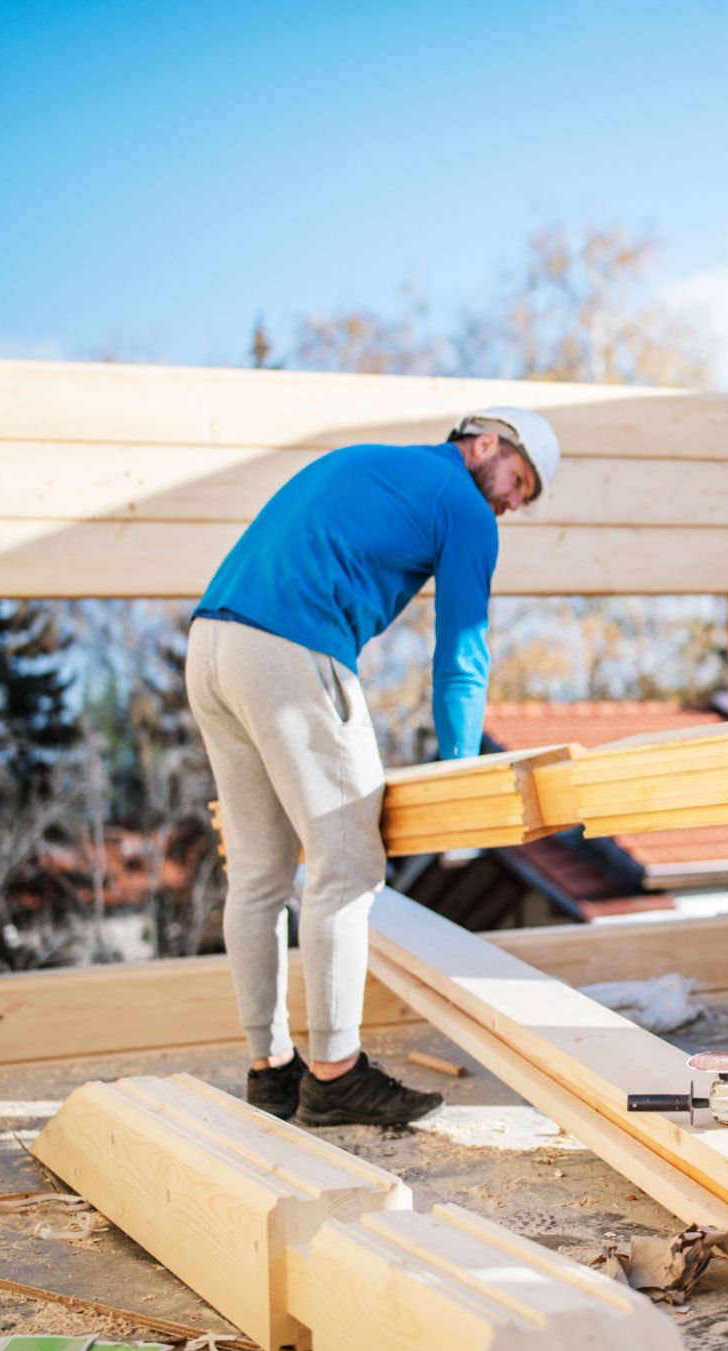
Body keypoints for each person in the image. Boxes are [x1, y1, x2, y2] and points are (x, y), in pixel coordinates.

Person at [185, 408, 560, 1126]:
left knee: (260, 876)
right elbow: (463, 651)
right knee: (346, 863)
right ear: (486, 445)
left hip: (211, 646)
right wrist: (459, 773)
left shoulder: (369, 462)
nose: (513, 503)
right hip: (289, 645)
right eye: (519, 481)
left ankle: (271, 1071)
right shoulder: (464, 506)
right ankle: (334, 1073)